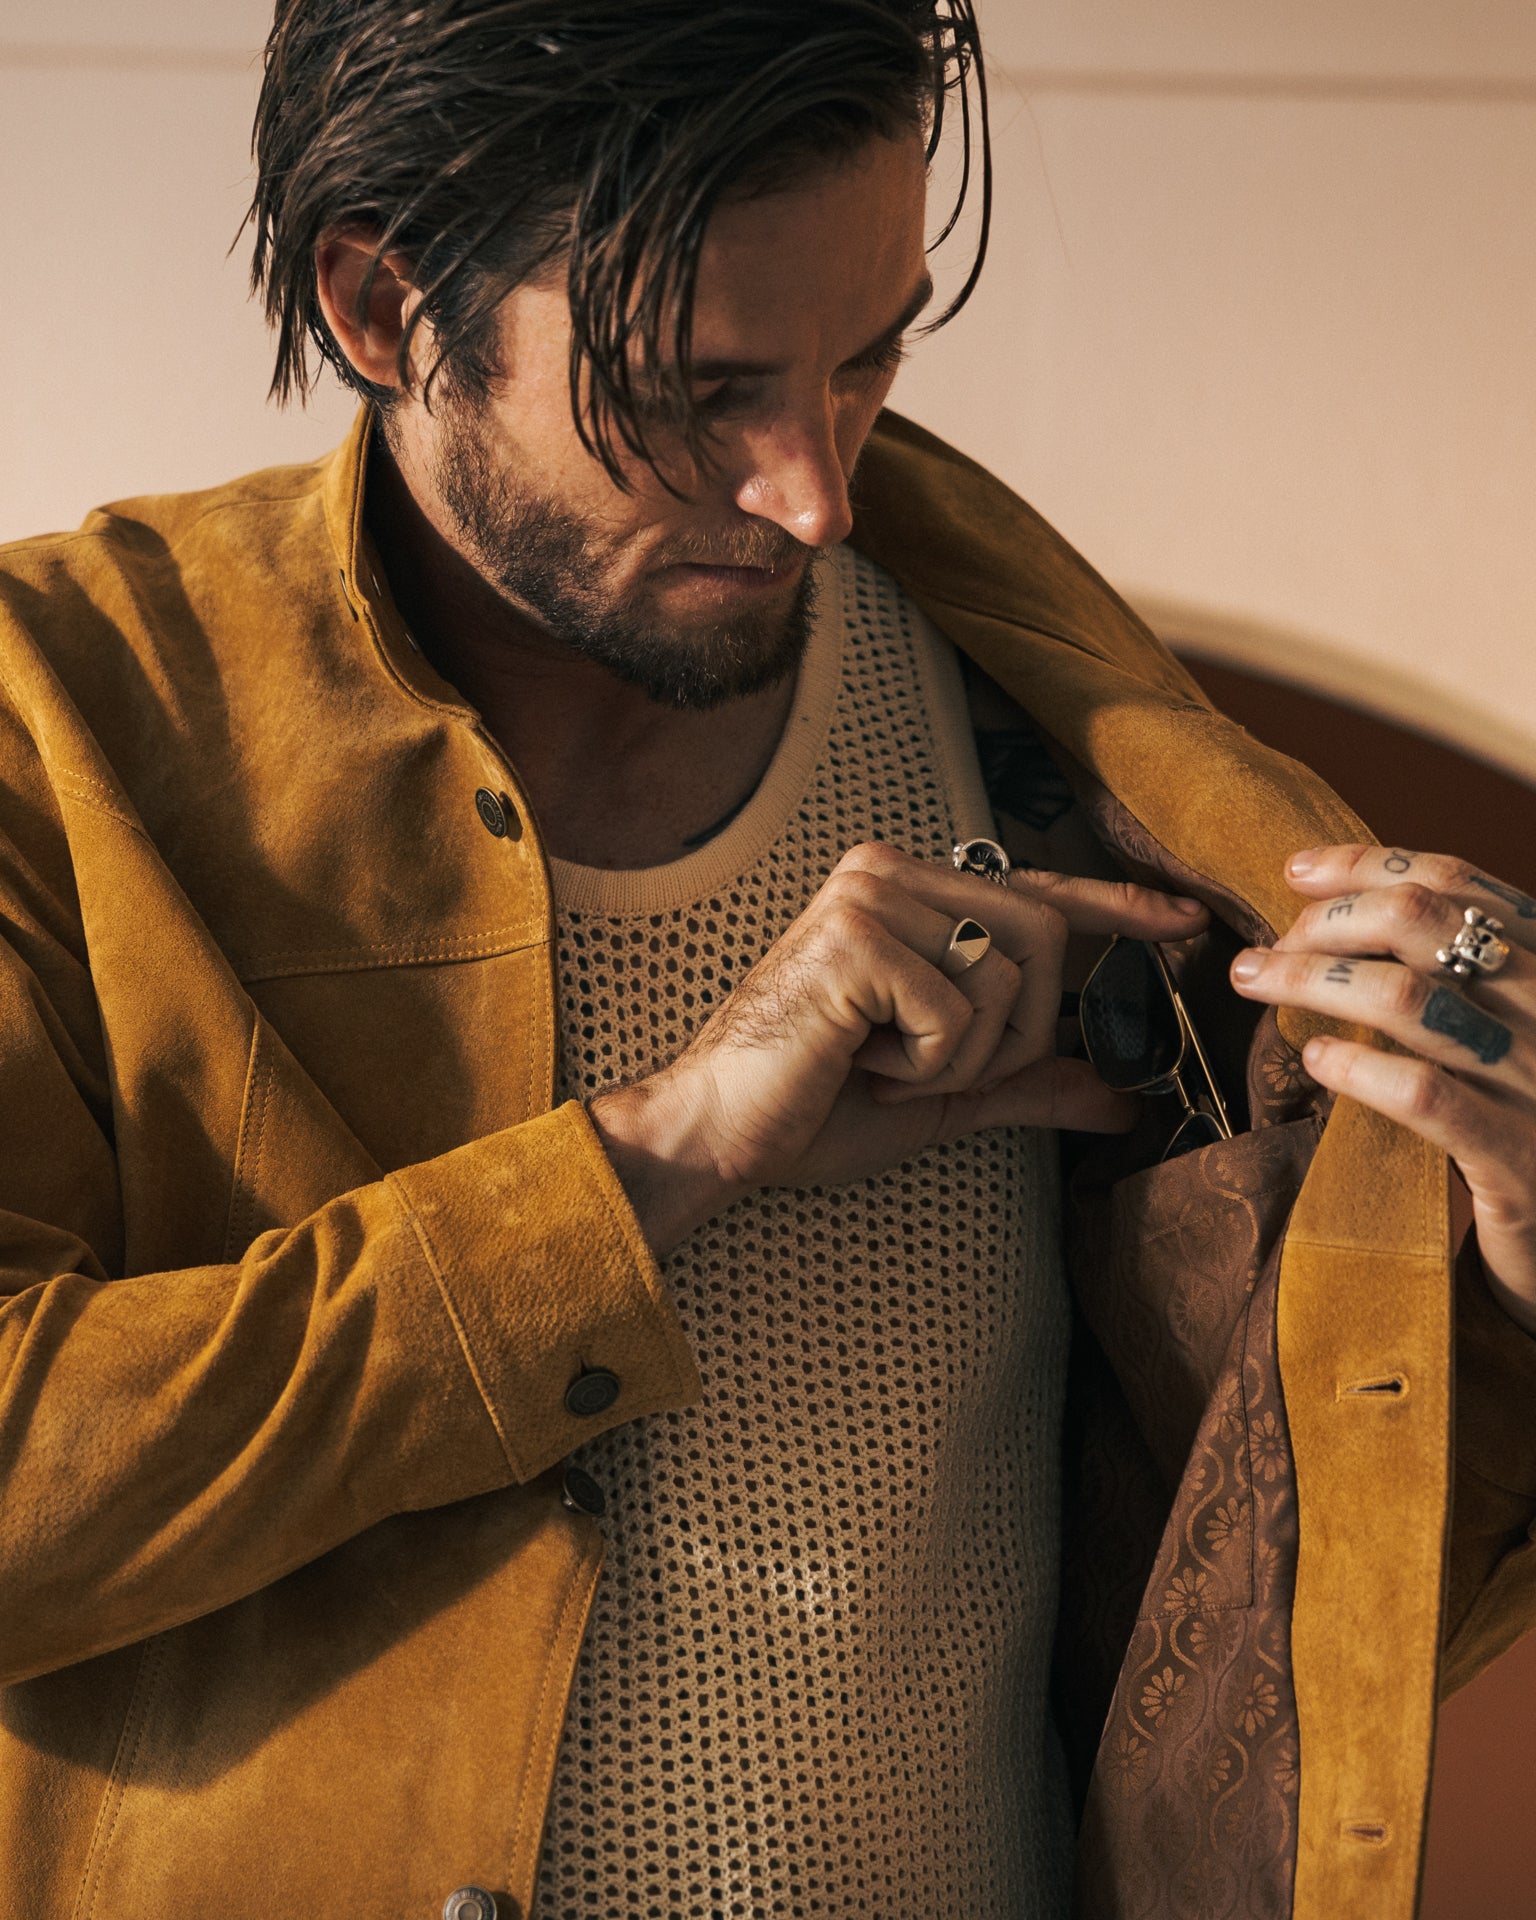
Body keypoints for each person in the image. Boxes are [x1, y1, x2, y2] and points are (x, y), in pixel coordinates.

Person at [1, 3, 1533, 1916]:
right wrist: (663, 1158)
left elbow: (1289, 1645)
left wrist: (1519, 1255)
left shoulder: (1064, 757)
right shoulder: (55, 719)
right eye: (701, 389)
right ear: (384, 308)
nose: (811, 489)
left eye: (869, 358)